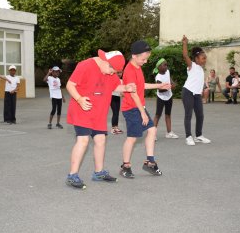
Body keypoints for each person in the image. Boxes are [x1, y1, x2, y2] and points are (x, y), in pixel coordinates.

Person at [65, 49, 136, 189]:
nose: (112, 74)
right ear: (106, 62)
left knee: (100, 140)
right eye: (112, 71)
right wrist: (79, 99)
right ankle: (72, 175)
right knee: (83, 140)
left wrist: (126, 87)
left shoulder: (110, 71)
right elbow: (70, 84)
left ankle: (98, 173)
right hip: (83, 108)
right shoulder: (85, 65)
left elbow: (116, 85)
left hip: (99, 112)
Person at [120, 40, 171, 179]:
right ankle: (125, 166)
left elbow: (141, 85)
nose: (146, 62)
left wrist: (159, 86)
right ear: (134, 56)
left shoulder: (137, 67)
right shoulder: (129, 70)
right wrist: (142, 113)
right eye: (144, 59)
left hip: (138, 106)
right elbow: (133, 92)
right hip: (131, 108)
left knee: (152, 130)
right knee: (132, 137)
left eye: (147, 59)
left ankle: (149, 161)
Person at [181, 35, 211, 146]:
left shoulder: (201, 69)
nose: (205, 60)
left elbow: (198, 82)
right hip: (188, 93)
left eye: (205, 58)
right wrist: (185, 44)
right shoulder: (192, 65)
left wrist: (203, 90)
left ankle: (198, 136)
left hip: (197, 95)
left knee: (200, 115)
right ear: (196, 59)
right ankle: (188, 137)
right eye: (203, 58)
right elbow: (185, 55)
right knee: (188, 115)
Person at [152, 58, 179, 139]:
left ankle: (169, 133)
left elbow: (169, 79)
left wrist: (173, 83)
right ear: (159, 67)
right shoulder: (158, 77)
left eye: (167, 64)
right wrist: (169, 87)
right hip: (161, 97)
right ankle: (152, 135)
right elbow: (160, 90)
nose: (166, 66)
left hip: (169, 96)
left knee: (168, 114)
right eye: (165, 65)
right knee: (158, 115)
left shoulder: (167, 71)